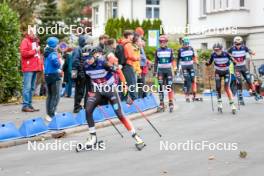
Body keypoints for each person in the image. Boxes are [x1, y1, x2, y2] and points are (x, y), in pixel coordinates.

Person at [80, 50, 145, 150]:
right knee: (88, 110)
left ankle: (136, 136)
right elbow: (87, 79)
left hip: (110, 90)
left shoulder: (103, 63)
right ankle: (93, 138)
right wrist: (89, 92)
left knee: (119, 114)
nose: (88, 61)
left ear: (93, 56)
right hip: (97, 91)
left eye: (89, 58)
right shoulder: (85, 65)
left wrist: (124, 85)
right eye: (85, 59)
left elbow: (118, 71)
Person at [228, 36, 262, 105]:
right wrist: (231, 57)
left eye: (239, 44)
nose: (238, 45)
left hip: (243, 67)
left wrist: (252, 52)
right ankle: (240, 98)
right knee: (239, 82)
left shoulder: (244, 47)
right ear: (234, 43)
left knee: (249, 80)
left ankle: (255, 94)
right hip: (236, 67)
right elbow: (226, 53)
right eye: (236, 44)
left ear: (241, 43)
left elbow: (249, 50)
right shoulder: (231, 48)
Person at [206, 43, 237, 113]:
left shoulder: (226, 54)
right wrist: (207, 63)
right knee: (218, 87)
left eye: (218, 50)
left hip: (226, 72)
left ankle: (232, 104)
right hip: (218, 72)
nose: (217, 52)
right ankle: (219, 103)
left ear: (221, 49)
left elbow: (234, 60)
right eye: (215, 50)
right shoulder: (213, 55)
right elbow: (209, 62)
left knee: (226, 87)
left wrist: (235, 62)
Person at [20, 30, 41, 112]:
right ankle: (25, 106)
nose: (35, 34)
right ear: (29, 33)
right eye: (33, 33)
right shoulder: (25, 41)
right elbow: (23, 53)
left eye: (35, 33)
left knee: (32, 88)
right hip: (28, 68)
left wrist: (39, 66)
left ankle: (29, 105)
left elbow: (37, 56)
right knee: (27, 87)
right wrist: (35, 50)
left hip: (35, 68)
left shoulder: (35, 42)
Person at [154, 35, 175, 112]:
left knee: (169, 86)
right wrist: (155, 72)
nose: (162, 43)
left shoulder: (170, 50)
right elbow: (156, 62)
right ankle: (161, 103)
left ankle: (170, 102)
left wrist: (174, 69)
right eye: (161, 42)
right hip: (160, 71)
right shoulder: (157, 50)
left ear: (166, 42)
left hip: (168, 70)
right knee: (160, 87)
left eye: (164, 42)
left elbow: (172, 60)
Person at [44, 37, 62, 122]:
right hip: (54, 75)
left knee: (50, 95)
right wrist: (59, 62)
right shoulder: (53, 53)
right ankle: (52, 114)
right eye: (57, 43)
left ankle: (48, 113)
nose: (58, 45)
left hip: (47, 75)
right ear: (54, 45)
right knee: (55, 95)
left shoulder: (46, 53)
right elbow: (56, 64)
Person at [72, 34, 91, 113]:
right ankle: (76, 107)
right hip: (80, 73)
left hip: (83, 72)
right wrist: (80, 71)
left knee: (84, 90)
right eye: (86, 41)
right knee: (79, 90)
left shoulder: (82, 49)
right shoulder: (78, 49)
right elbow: (75, 62)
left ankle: (84, 105)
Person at [177, 37, 198, 102]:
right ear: (183, 43)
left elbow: (194, 56)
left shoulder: (191, 48)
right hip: (184, 67)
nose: (186, 45)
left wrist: (196, 62)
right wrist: (177, 67)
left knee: (192, 80)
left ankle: (194, 94)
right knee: (188, 80)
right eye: (185, 43)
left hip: (191, 66)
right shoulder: (180, 50)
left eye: (187, 43)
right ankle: (187, 95)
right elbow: (178, 59)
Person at [121, 30, 139, 101]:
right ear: (128, 36)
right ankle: (135, 101)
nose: (133, 36)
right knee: (132, 84)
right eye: (132, 35)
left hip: (124, 66)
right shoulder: (128, 44)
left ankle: (123, 101)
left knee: (125, 84)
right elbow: (130, 56)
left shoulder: (122, 43)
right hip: (128, 65)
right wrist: (137, 58)